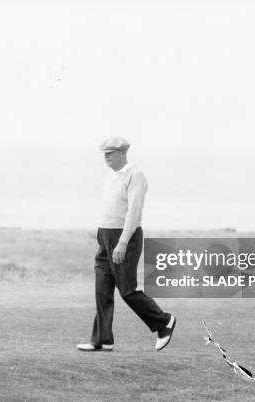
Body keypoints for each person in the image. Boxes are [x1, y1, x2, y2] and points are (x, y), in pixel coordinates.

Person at [77, 137, 176, 352]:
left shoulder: (135, 175)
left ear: (123, 153)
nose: (106, 156)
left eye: (110, 152)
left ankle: (164, 322)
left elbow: (134, 211)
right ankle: (102, 339)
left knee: (127, 289)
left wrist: (122, 242)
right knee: (102, 288)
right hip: (105, 235)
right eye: (104, 152)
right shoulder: (112, 175)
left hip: (125, 237)